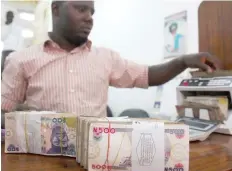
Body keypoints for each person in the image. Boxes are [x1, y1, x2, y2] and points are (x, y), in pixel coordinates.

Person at [1, 1, 222, 128]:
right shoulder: (20, 60)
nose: (89, 18)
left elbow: (148, 75)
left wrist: (183, 61)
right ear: (56, 9)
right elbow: (2, 115)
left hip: (96, 164)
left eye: (92, 12)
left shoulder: (105, 59)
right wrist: (16, 117)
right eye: (81, 9)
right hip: (41, 168)